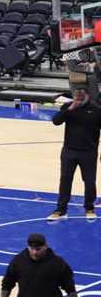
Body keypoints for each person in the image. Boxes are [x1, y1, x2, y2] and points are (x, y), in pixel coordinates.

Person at [49, 87, 101, 220]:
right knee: (65, 180)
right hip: (69, 150)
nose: (78, 100)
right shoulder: (67, 107)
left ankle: (89, 208)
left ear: (87, 96)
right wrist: (70, 109)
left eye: (81, 98)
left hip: (88, 152)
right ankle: (61, 210)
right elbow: (56, 121)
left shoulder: (96, 110)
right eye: (76, 97)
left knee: (89, 181)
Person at [1, 233, 77, 297]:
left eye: (38, 249)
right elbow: (7, 283)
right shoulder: (18, 261)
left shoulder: (58, 263)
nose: (34, 252)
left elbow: (69, 287)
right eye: (31, 248)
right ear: (28, 247)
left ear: (45, 246)